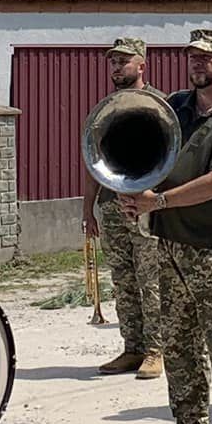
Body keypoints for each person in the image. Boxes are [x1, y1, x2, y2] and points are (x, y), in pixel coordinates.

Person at [120, 31, 212, 424]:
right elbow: (150, 150)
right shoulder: (176, 106)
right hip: (172, 242)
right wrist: (135, 186)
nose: (198, 64)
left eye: (207, 57)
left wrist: (157, 200)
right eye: (192, 56)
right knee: (178, 344)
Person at [83, 37, 164, 377]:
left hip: (146, 203)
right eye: (113, 62)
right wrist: (88, 209)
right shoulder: (106, 108)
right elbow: (93, 160)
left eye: (124, 61)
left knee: (151, 278)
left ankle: (157, 349)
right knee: (124, 278)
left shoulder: (160, 104)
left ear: (141, 65)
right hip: (113, 202)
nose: (117, 67)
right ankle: (132, 347)